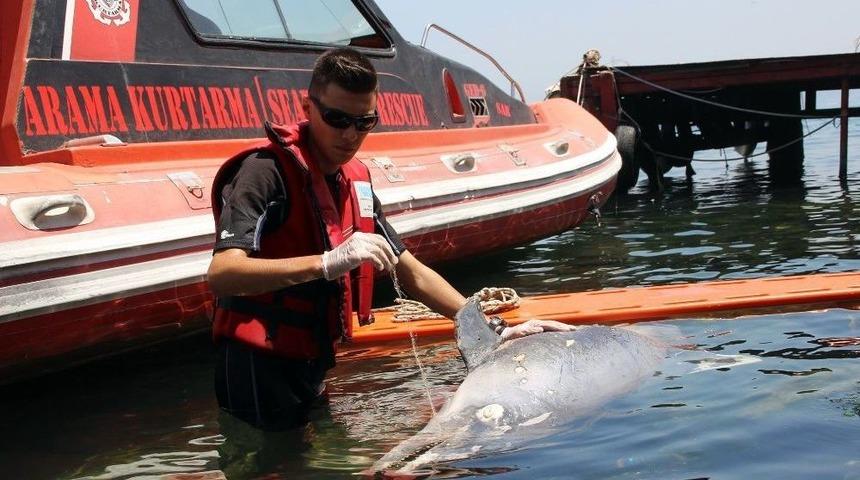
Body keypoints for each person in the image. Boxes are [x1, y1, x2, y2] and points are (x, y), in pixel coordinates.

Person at [207, 47, 572, 430]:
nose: (350, 135)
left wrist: (491, 329)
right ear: (307, 108)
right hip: (255, 367)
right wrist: (327, 262)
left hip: (311, 363)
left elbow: (410, 270)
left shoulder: (355, 182)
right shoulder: (264, 173)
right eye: (336, 119)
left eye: (364, 122)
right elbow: (223, 272)